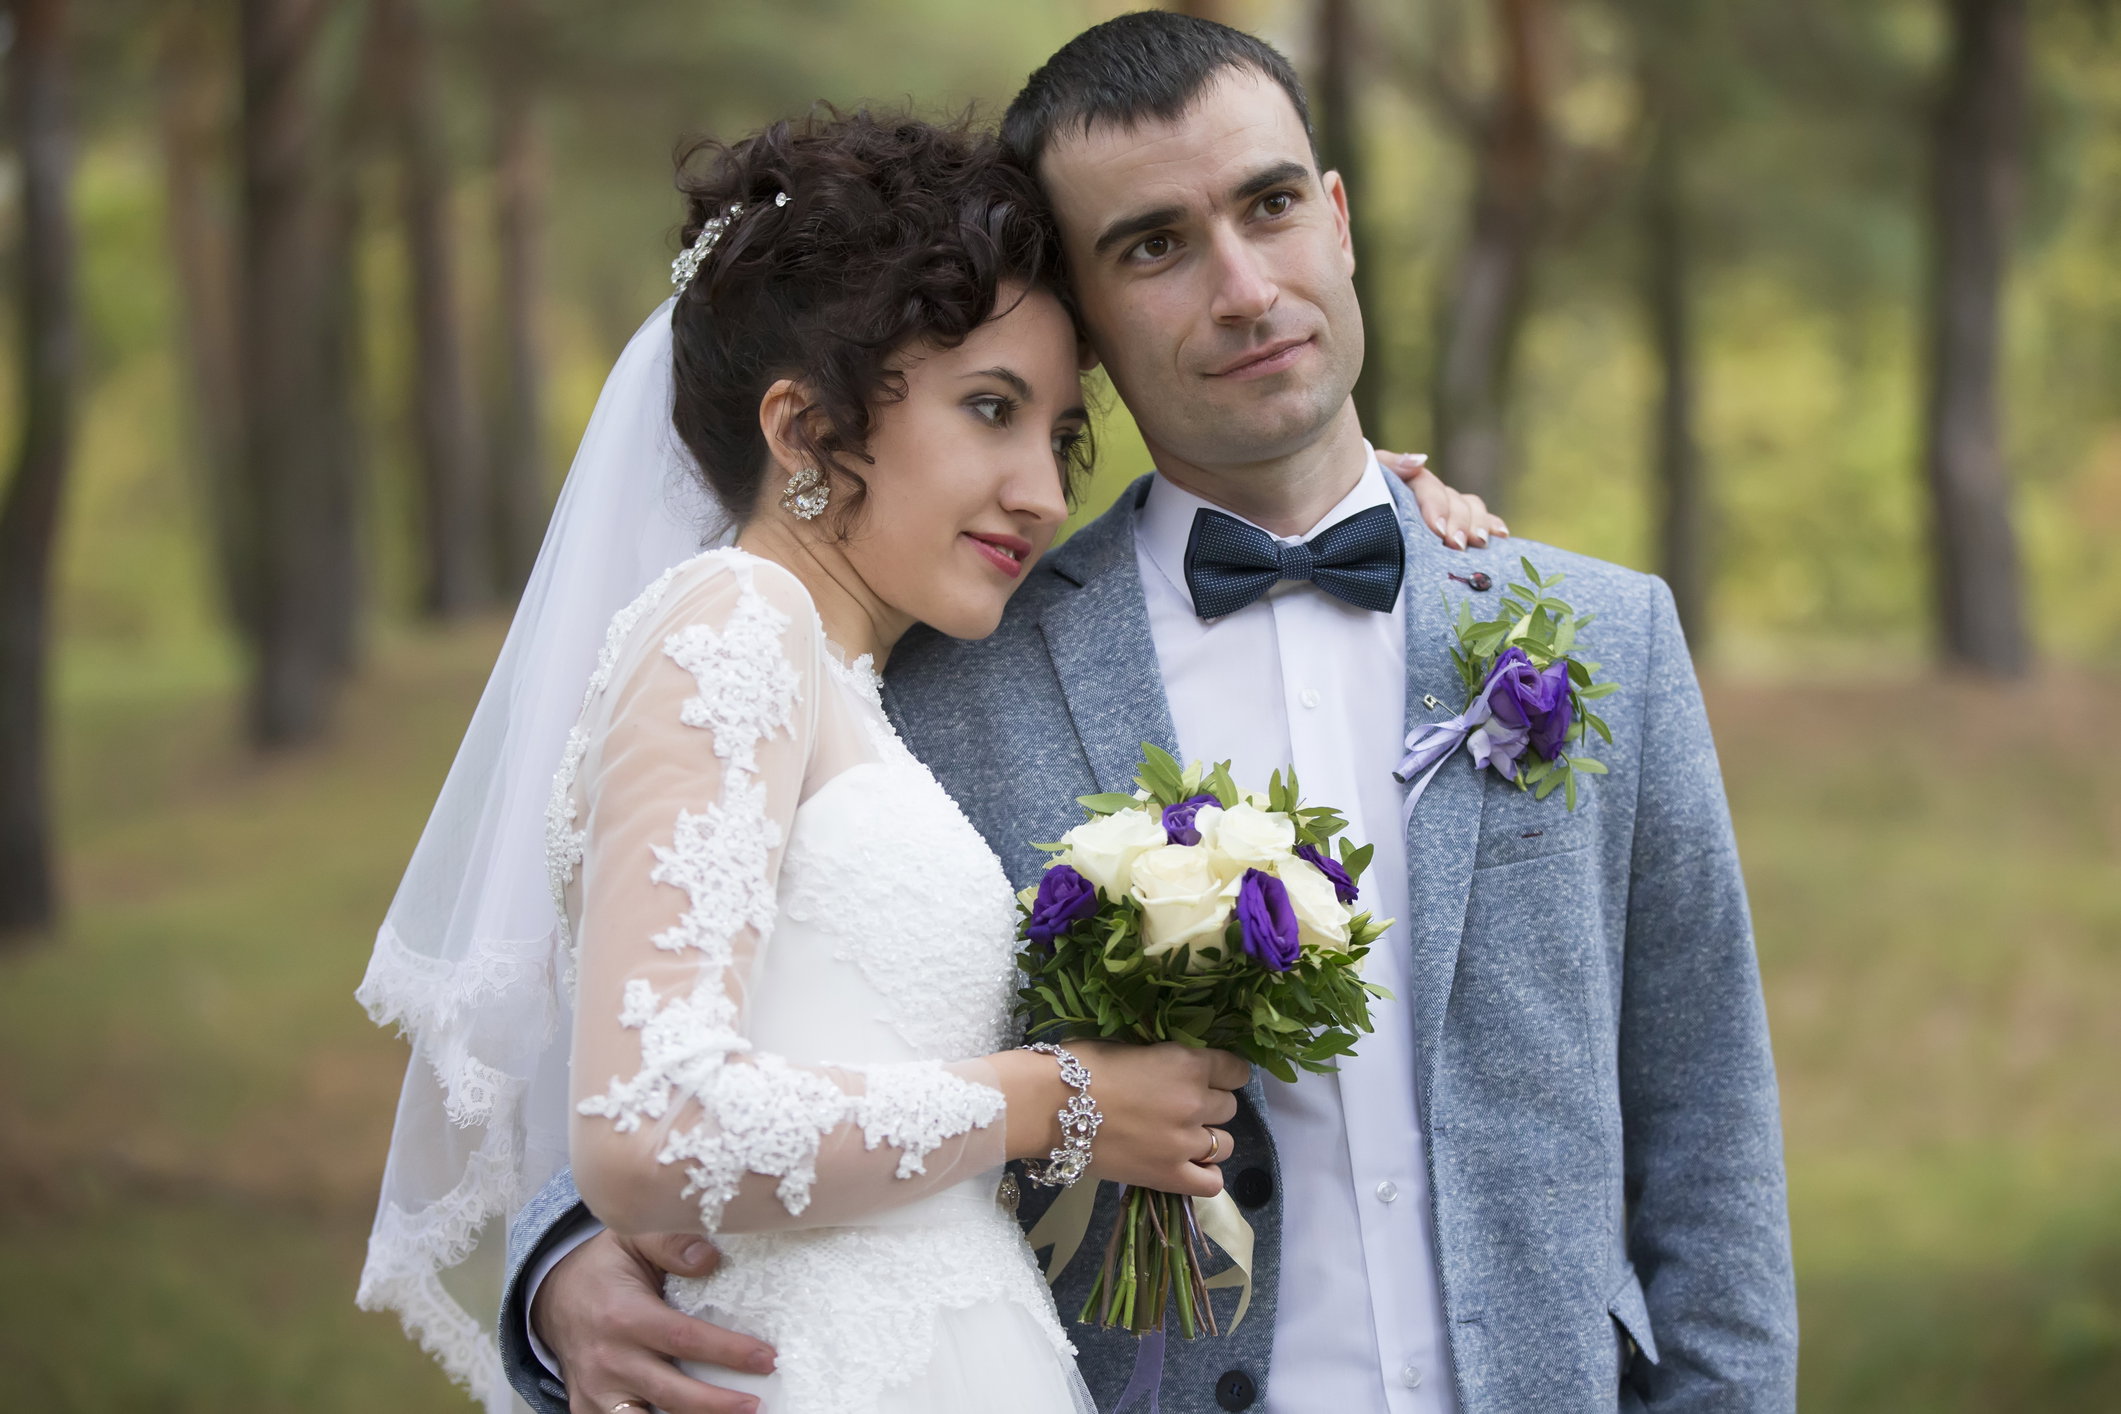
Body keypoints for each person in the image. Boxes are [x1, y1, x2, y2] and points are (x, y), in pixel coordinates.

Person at [511, 14, 1799, 1414]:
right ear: (1083, 310)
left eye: (1269, 204)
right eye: (1153, 245)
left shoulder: (1598, 637)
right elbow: (681, 1005)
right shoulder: (939, 660)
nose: (1245, 289)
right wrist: (566, 1261)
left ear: (1339, 218)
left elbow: (1708, 1143)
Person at [353, 97, 1499, 1414]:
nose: (1041, 491)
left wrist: (1367, 490)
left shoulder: (858, 682)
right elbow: (650, 1126)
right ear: (803, 433)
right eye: (990, 409)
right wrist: (1051, 1099)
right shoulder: (734, 624)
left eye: (1057, 432)